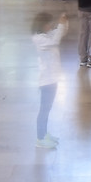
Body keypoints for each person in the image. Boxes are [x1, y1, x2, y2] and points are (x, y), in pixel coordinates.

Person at [31, 12, 64, 149]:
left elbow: (57, 34)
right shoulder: (39, 39)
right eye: (48, 23)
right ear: (42, 25)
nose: (51, 25)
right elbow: (55, 40)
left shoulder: (45, 35)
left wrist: (62, 24)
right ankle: (40, 138)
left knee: (47, 109)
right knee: (44, 110)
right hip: (46, 81)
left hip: (52, 79)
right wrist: (61, 25)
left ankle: (44, 134)